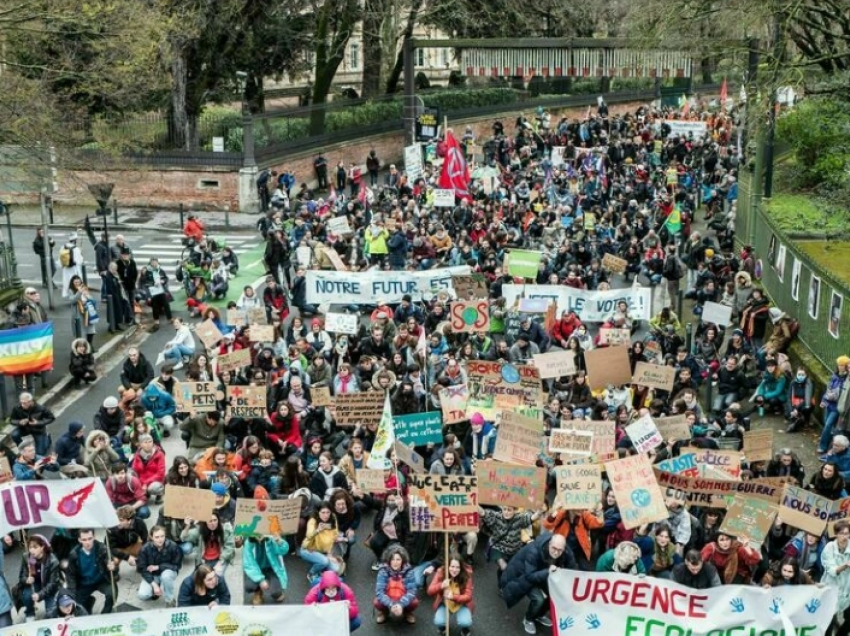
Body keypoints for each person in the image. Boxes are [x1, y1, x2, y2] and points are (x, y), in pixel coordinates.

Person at [65, 529, 116, 615]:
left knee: (112, 594)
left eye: (90, 538)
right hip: (84, 583)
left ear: (94, 537)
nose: (87, 542)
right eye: (84, 540)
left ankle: (105, 615)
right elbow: (71, 576)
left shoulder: (102, 548)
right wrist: (72, 594)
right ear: (79, 540)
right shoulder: (74, 554)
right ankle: (89, 602)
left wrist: (113, 567)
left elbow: (112, 565)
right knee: (76, 608)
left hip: (101, 580)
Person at [16, 534, 61, 621]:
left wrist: (40, 595)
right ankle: (30, 613)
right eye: (30, 547)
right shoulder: (27, 557)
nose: (31, 550)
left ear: (42, 547)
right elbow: (22, 575)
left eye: (35, 547)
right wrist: (26, 579)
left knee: (51, 613)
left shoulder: (53, 561)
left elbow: (53, 583)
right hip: (35, 584)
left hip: (48, 587)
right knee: (26, 595)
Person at [427, 555, 474, 636]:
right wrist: (441, 585)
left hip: (461, 603)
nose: (454, 570)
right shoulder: (441, 572)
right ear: (448, 566)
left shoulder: (467, 575)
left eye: (457, 567)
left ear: (461, 568)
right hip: (445, 603)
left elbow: (468, 596)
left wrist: (453, 597)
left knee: (465, 621)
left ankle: (464, 628)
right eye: (452, 566)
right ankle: (443, 627)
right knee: (439, 621)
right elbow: (430, 591)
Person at [137, 525, 183, 606]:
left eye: (162, 536)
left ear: (165, 536)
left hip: (168, 572)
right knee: (142, 595)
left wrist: (159, 567)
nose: (160, 539)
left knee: (166, 577)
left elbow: (177, 566)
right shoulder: (144, 549)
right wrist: (154, 585)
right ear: (151, 537)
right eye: (157, 537)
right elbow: (142, 569)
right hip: (153, 575)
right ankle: (156, 586)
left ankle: (170, 600)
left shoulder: (173, 546)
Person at [374, 545, 419, 624]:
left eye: (398, 559)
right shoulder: (383, 571)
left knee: (414, 602)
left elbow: (412, 591)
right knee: (377, 602)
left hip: (402, 597)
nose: (395, 562)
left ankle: (407, 612)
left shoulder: (409, 571)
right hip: (389, 598)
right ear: (389, 560)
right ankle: (385, 612)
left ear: (403, 561)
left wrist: (401, 604)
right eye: (393, 559)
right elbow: (379, 592)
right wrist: (391, 605)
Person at [243, 533, 289, 605]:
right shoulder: (249, 543)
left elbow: (283, 551)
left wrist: (280, 542)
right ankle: (258, 592)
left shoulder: (271, 538)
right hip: (257, 570)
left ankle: (277, 592)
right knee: (249, 586)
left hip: (272, 570)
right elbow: (249, 564)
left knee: (277, 595)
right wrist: (260, 580)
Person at [822, 520, 850, 636]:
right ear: (836, 534)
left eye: (847, 533)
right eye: (842, 533)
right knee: (829, 621)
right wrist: (846, 565)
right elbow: (832, 571)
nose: (845, 536)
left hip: (847, 590)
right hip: (831, 589)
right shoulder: (829, 547)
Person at [9, 392, 55, 456]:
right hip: (24, 428)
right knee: (14, 435)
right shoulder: (17, 408)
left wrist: (38, 423)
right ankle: (23, 448)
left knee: (40, 453)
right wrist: (19, 422)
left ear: (30, 401)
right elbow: (12, 420)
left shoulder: (41, 408)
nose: (22, 405)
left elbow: (51, 418)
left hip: (38, 430)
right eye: (21, 402)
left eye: (24, 403)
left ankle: (47, 438)